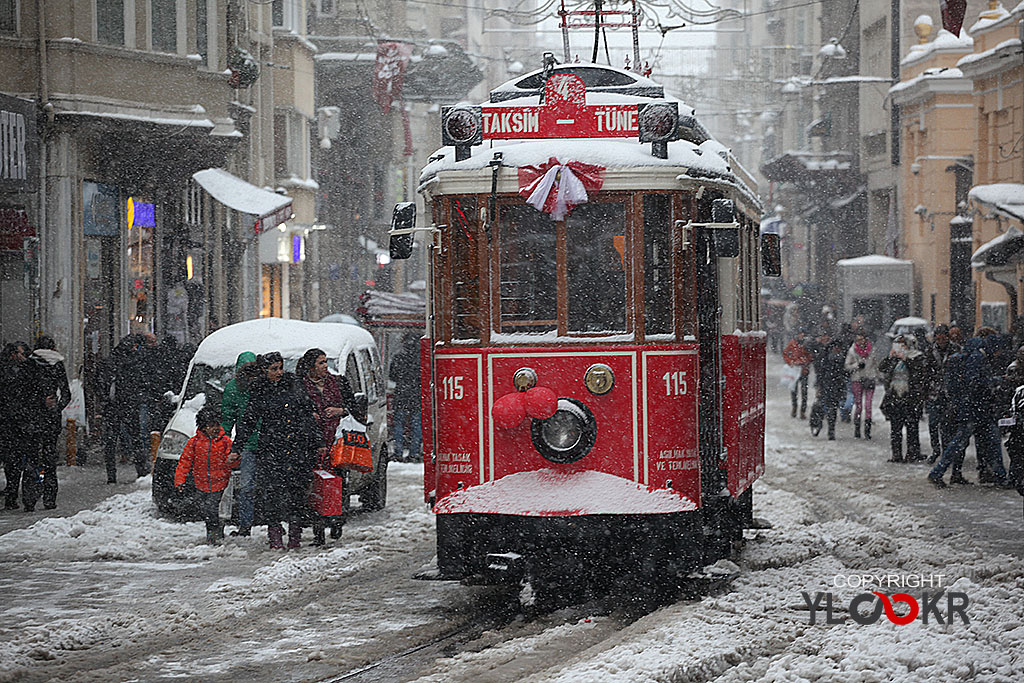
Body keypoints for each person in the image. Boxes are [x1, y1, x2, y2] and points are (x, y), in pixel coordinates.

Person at [232, 353, 322, 550]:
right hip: (272, 448)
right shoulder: (259, 389)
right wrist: (237, 447)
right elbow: (249, 419)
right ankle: (275, 537)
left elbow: (308, 412)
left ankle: (295, 536)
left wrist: (317, 441)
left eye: (280, 367)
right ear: (264, 371)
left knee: (296, 493)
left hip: (297, 446)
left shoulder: (293, 384)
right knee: (271, 494)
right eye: (274, 369)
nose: (279, 372)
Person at [297, 348, 357, 545]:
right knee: (317, 485)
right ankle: (318, 530)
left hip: (337, 442)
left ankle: (337, 521)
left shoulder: (338, 382)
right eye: (321, 363)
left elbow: (355, 407)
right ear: (311, 366)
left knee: (338, 483)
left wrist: (340, 410)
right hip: (311, 444)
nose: (325, 367)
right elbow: (297, 410)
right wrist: (308, 415)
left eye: (326, 362)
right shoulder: (301, 386)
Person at [174, 405, 236, 545]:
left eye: (216, 425)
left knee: (210, 507)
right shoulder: (194, 443)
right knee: (205, 509)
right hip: (200, 482)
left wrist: (233, 459)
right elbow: (184, 462)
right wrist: (179, 481)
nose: (214, 428)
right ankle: (215, 528)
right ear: (203, 427)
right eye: (210, 425)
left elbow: (232, 460)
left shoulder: (225, 441)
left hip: (219, 482)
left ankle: (212, 533)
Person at [24, 336, 71, 510]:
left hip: (33, 418)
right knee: (50, 459)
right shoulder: (57, 364)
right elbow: (66, 393)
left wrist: (35, 405)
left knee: (32, 458)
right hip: (50, 419)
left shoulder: (29, 365)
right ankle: (49, 498)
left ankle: (29, 498)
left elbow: (23, 391)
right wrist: (56, 406)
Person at [221, 352, 259, 537]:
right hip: (249, 445)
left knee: (261, 487)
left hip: (266, 444)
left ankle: (272, 523)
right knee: (247, 488)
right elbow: (227, 418)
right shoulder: (233, 389)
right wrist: (224, 443)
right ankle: (246, 524)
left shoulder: (263, 387)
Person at [102, 333, 145, 483]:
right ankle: (141, 471)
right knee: (136, 438)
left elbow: (100, 383)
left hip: (113, 406)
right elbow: (140, 382)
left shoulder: (110, 360)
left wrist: (104, 399)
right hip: (128, 405)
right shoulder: (133, 362)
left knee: (110, 441)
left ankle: (111, 476)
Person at [879, 335, 928, 462]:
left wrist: (905, 359)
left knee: (912, 427)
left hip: (911, 397)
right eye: (898, 344)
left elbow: (918, 372)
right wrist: (890, 357)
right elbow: (882, 368)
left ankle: (912, 453)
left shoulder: (917, 356)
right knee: (896, 428)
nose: (901, 348)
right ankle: (897, 454)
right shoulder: (894, 359)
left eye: (903, 345)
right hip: (895, 397)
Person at [0, 341, 32, 509]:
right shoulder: (16, 372)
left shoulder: (21, 370)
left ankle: (11, 494)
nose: (22, 356)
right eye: (19, 353)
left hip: (12, 422)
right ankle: (12, 494)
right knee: (14, 460)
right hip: (14, 422)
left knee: (12, 461)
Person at [923, 324, 959, 463]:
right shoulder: (930, 351)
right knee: (933, 423)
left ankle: (946, 452)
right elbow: (925, 372)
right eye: (938, 337)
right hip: (934, 392)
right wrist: (925, 390)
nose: (941, 340)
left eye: (943, 337)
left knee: (946, 425)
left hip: (949, 393)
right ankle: (936, 450)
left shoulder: (955, 350)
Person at [390, 334, 423, 461]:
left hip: (401, 394)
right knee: (416, 425)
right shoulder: (420, 358)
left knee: (398, 425)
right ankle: (414, 453)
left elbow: (392, 376)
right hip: (416, 395)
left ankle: (398, 452)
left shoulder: (399, 357)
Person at [844, 332, 879, 439]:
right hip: (857, 379)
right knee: (858, 405)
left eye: (862, 339)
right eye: (858, 340)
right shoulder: (852, 351)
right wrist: (856, 365)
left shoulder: (872, 350)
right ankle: (857, 428)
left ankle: (867, 431)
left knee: (868, 405)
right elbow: (847, 366)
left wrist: (877, 375)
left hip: (870, 378)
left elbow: (875, 364)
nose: (860, 342)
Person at [812, 336, 847, 440]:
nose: (838, 349)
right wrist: (819, 385)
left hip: (836, 386)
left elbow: (844, 372)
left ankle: (831, 430)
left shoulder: (842, 357)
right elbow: (820, 371)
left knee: (833, 409)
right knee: (823, 407)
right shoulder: (825, 356)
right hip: (826, 385)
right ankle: (819, 424)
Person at [784, 329, 814, 419]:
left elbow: (811, 356)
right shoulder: (792, 343)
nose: (801, 336)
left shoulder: (807, 344)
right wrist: (791, 362)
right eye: (800, 334)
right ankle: (794, 407)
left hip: (803, 370)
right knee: (794, 390)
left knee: (804, 391)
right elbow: (785, 353)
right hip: (794, 370)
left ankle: (802, 410)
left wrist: (805, 362)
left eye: (802, 334)